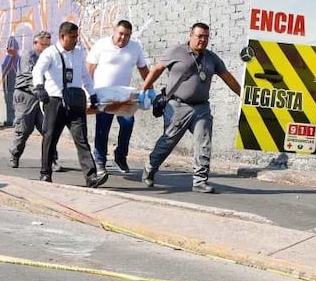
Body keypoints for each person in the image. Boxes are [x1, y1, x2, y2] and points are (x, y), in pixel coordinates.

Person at [138, 22, 241, 193]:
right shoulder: (176, 51)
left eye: (206, 37)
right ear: (190, 35)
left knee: (204, 141)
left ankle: (200, 181)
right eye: (199, 36)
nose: (203, 40)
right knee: (168, 142)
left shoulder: (211, 58)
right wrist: (145, 88)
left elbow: (227, 77)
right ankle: (150, 167)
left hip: (201, 108)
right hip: (177, 106)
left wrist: (243, 97)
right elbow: (157, 69)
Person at [32, 21, 107, 187]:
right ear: (62, 37)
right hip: (55, 102)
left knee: (81, 139)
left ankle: (91, 177)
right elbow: (38, 70)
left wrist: (92, 94)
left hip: (75, 102)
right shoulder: (50, 53)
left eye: (76, 37)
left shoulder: (79, 52)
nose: (75, 40)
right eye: (72, 37)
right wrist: (39, 87)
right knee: (50, 138)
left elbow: (85, 76)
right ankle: (45, 173)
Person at [87, 20, 149, 175]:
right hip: (102, 94)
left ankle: (120, 156)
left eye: (127, 35)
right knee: (103, 127)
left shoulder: (135, 48)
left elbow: (143, 69)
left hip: (124, 95)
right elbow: (89, 68)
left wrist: (150, 89)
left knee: (128, 123)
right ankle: (100, 160)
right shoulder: (101, 45)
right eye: (121, 34)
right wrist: (87, 91)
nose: (123, 38)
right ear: (114, 31)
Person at [8, 31, 63, 171]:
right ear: (35, 43)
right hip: (26, 96)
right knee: (24, 129)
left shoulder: (48, 56)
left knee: (47, 131)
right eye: (43, 44)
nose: (46, 47)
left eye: (48, 44)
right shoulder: (29, 55)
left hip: (41, 98)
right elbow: (29, 77)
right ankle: (15, 154)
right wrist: (41, 90)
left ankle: (52, 160)